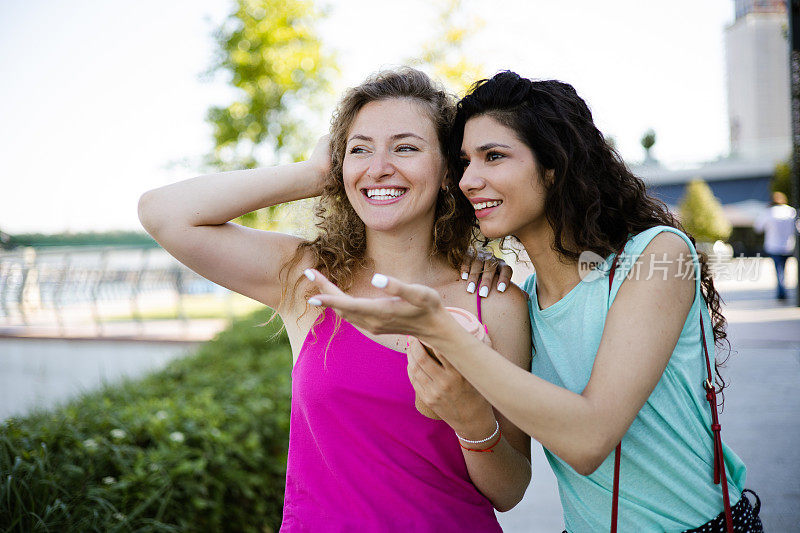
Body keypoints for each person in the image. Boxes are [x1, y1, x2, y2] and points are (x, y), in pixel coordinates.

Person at [308, 71, 763, 532]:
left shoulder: (656, 256)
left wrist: (442, 333)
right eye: (464, 162)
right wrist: (315, 175)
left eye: (494, 157)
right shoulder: (519, 300)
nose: (469, 180)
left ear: (553, 166)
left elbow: (589, 440)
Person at [137, 68, 532, 532]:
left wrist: (470, 420)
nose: (378, 166)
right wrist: (314, 172)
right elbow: (164, 214)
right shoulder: (306, 278)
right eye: (359, 149)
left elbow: (509, 490)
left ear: (448, 170)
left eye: (404, 147)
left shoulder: (495, 300)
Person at [754, 191, 797, 300]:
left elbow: (758, 227)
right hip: (788, 245)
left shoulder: (769, 212)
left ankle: (781, 291)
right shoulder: (791, 211)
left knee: (779, 270)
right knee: (785, 269)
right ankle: (783, 289)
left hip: (773, 245)